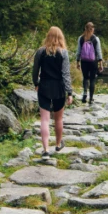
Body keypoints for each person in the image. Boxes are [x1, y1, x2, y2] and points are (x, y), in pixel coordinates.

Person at [32, 26, 73, 156]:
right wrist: (70, 92)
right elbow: (66, 74)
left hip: (44, 86)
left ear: (48, 36)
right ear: (60, 38)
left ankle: (45, 150)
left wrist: (36, 83)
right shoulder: (64, 53)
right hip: (59, 88)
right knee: (58, 119)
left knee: (44, 119)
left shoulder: (40, 52)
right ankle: (58, 144)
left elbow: (35, 70)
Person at [76, 22, 103, 104]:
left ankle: (84, 94)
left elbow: (78, 51)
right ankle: (91, 98)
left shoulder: (81, 38)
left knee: (85, 78)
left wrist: (77, 61)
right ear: (93, 29)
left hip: (84, 61)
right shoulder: (96, 39)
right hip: (93, 61)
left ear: (85, 28)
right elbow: (98, 52)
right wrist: (100, 63)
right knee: (92, 79)